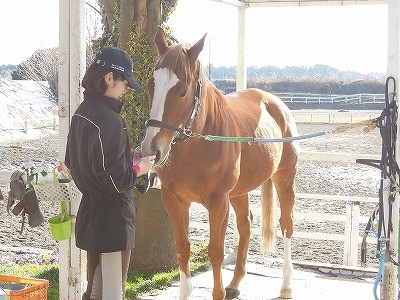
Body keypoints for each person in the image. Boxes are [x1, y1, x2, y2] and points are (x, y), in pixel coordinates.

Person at [65, 46, 155, 300]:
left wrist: (128, 158)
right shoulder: (110, 120)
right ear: (108, 78)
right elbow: (118, 180)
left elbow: (72, 162)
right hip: (114, 220)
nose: (126, 89)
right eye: (124, 82)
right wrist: (141, 167)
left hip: (91, 214)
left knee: (93, 291)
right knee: (112, 292)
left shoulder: (81, 113)